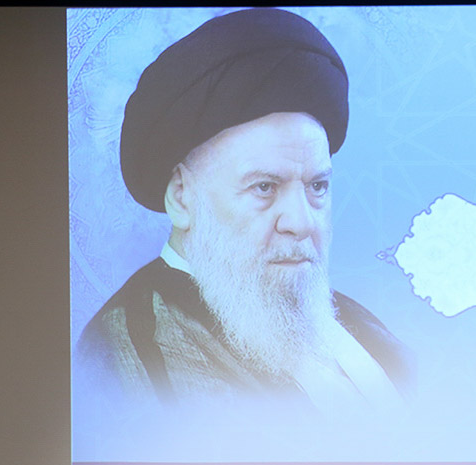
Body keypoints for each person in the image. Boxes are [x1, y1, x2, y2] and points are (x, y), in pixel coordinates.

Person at [76, 8, 411, 411]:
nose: (301, 222)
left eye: (317, 187)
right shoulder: (124, 359)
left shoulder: (365, 329)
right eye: (264, 187)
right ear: (181, 197)